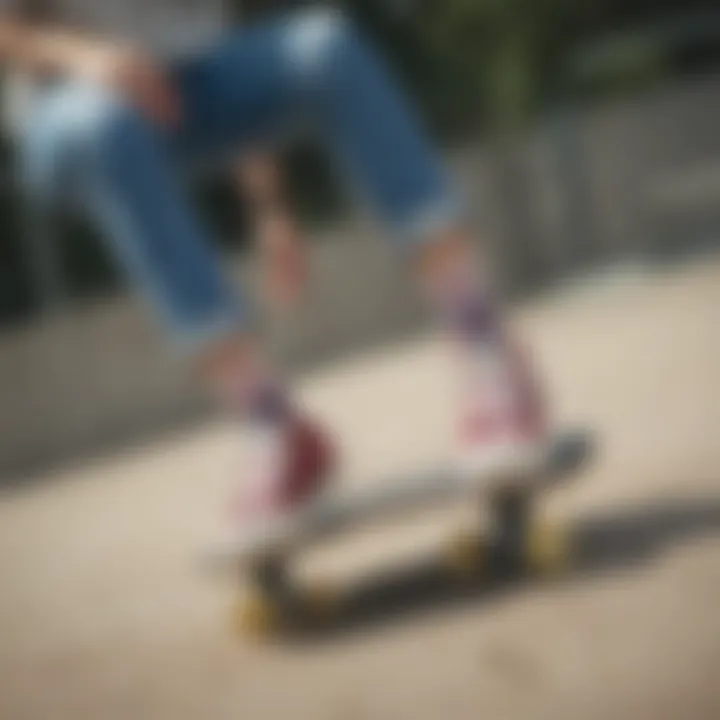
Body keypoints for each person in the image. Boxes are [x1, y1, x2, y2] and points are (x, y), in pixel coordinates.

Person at [0, 1, 546, 537]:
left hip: (184, 88)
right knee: (107, 124)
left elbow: (222, 45)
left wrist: (269, 207)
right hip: (66, 112)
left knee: (328, 47)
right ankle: (265, 419)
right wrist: (88, 58)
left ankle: (482, 339)